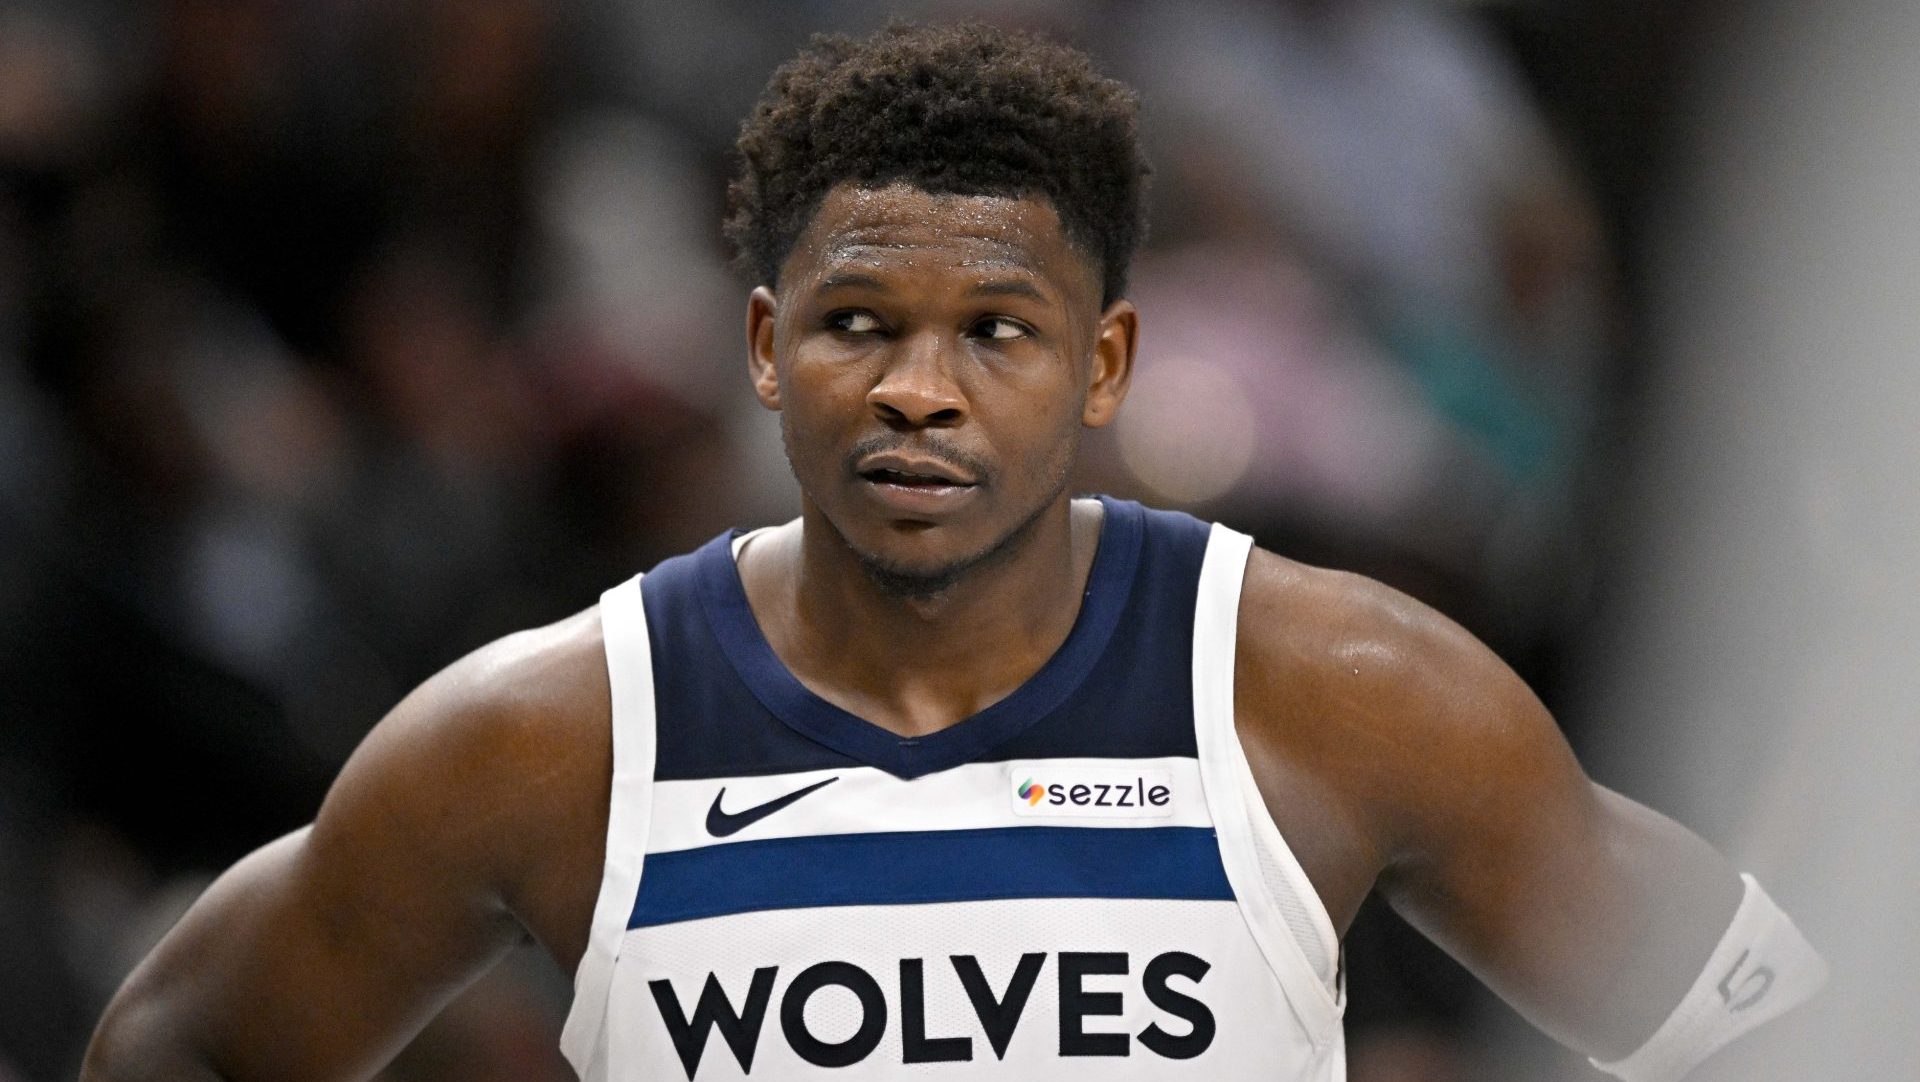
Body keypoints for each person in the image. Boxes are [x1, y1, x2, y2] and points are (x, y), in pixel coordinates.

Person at [81, 22, 1823, 1082]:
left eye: (998, 328)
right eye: (859, 322)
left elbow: (1766, 1024)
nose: (921, 388)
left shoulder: (1331, 687)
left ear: (1105, 368)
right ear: (764, 349)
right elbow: (186, 1040)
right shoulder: (563, 733)